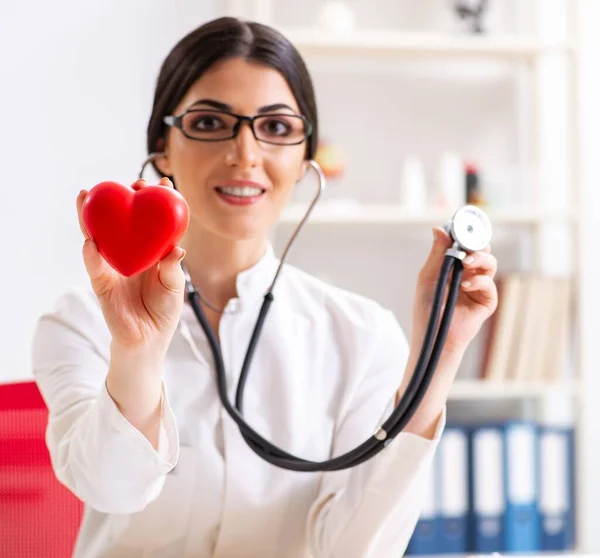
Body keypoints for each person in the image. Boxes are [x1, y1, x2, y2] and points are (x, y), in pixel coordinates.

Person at [32, 16, 498, 558]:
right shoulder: (80, 322)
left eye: (276, 128)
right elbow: (111, 487)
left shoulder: (364, 336)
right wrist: (135, 352)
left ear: (306, 159)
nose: (245, 153)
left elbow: (354, 549)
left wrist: (435, 362)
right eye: (210, 123)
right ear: (161, 147)